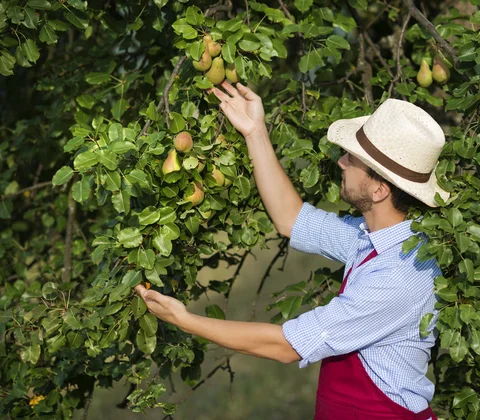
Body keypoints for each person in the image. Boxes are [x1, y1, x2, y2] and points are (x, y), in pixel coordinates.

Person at [134, 81, 450, 420]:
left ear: (378, 190)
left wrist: (185, 319)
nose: (341, 162)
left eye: (353, 159)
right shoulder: (373, 238)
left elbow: (286, 346)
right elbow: (291, 219)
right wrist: (255, 132)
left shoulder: (398, 275)